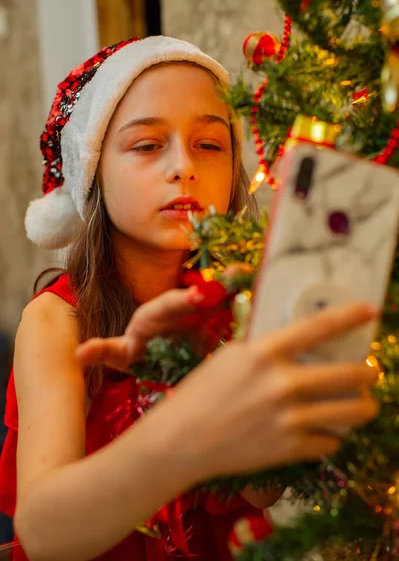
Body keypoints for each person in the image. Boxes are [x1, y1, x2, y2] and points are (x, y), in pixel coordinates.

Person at [0, 36, 378, 561]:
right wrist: (188, 423)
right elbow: (46, 536)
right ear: (94, 174)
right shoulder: (57, 321)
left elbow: (259, 490)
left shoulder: (232, 301)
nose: (184, 166)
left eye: (209, 144)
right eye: (147, 145)